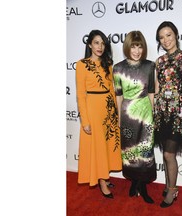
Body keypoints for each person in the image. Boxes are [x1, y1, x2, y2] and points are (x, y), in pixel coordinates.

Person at [154, 21, 182, 208]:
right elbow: (156, 90)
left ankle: (172, 190)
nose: (166, 40)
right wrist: (152, 111)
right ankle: (168, 185)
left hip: (179, 113)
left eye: (169, 35)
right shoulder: (159, 62)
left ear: (176, 35)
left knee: (169, 154)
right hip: (161, 112)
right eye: (161, 37)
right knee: (166, 154)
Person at [75, 29, 122, 199]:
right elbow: (80, 94)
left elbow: (111, 90)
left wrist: (115, 113)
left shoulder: (108, 64)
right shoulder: (82, 64)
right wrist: (84, 120)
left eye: (102, 43)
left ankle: (104, 175)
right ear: (89, 44)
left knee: (107, 145)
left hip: (107, 109)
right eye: (96, 43)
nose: (100, 46)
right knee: (98, 147)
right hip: (93, 110)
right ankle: (102, 181)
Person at [113, 31, 156, 204]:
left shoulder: (150, 66)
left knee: (145, 150)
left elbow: (152, 93)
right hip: (127, 114)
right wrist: (118, 118)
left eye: (139, 46)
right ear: (127, 47)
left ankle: (142, 185)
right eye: (133, 46)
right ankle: (134, 182)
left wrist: (151, 115)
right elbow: (119, 96)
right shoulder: (118, 68)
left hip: (145, 113)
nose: (137, 50)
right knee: (130, 149)